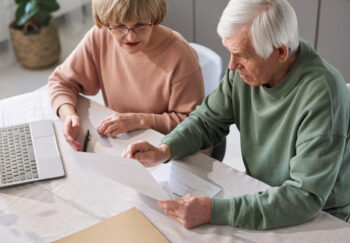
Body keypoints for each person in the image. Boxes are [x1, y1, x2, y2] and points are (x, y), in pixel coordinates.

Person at [123, 0, 350, 230]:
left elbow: (304, 197)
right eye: (230, 52)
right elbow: (207, 120)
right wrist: (165, 150)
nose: (231, 66)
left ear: (280, 51)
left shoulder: (323, 95)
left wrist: (214, 211)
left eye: (242, 55)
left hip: (319, 217)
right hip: (261, 191)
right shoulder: (247, 73)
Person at [48, 0, 204, 151]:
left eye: (140, 25)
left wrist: (141, 120)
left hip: (166, 148)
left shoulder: (180, 55)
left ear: (154, 17)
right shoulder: (100, 36)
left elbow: (194, 123)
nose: (130, 37)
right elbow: (61, 82)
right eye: (120, 26)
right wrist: (69, 115)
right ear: (106, 21)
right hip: (122, 142)